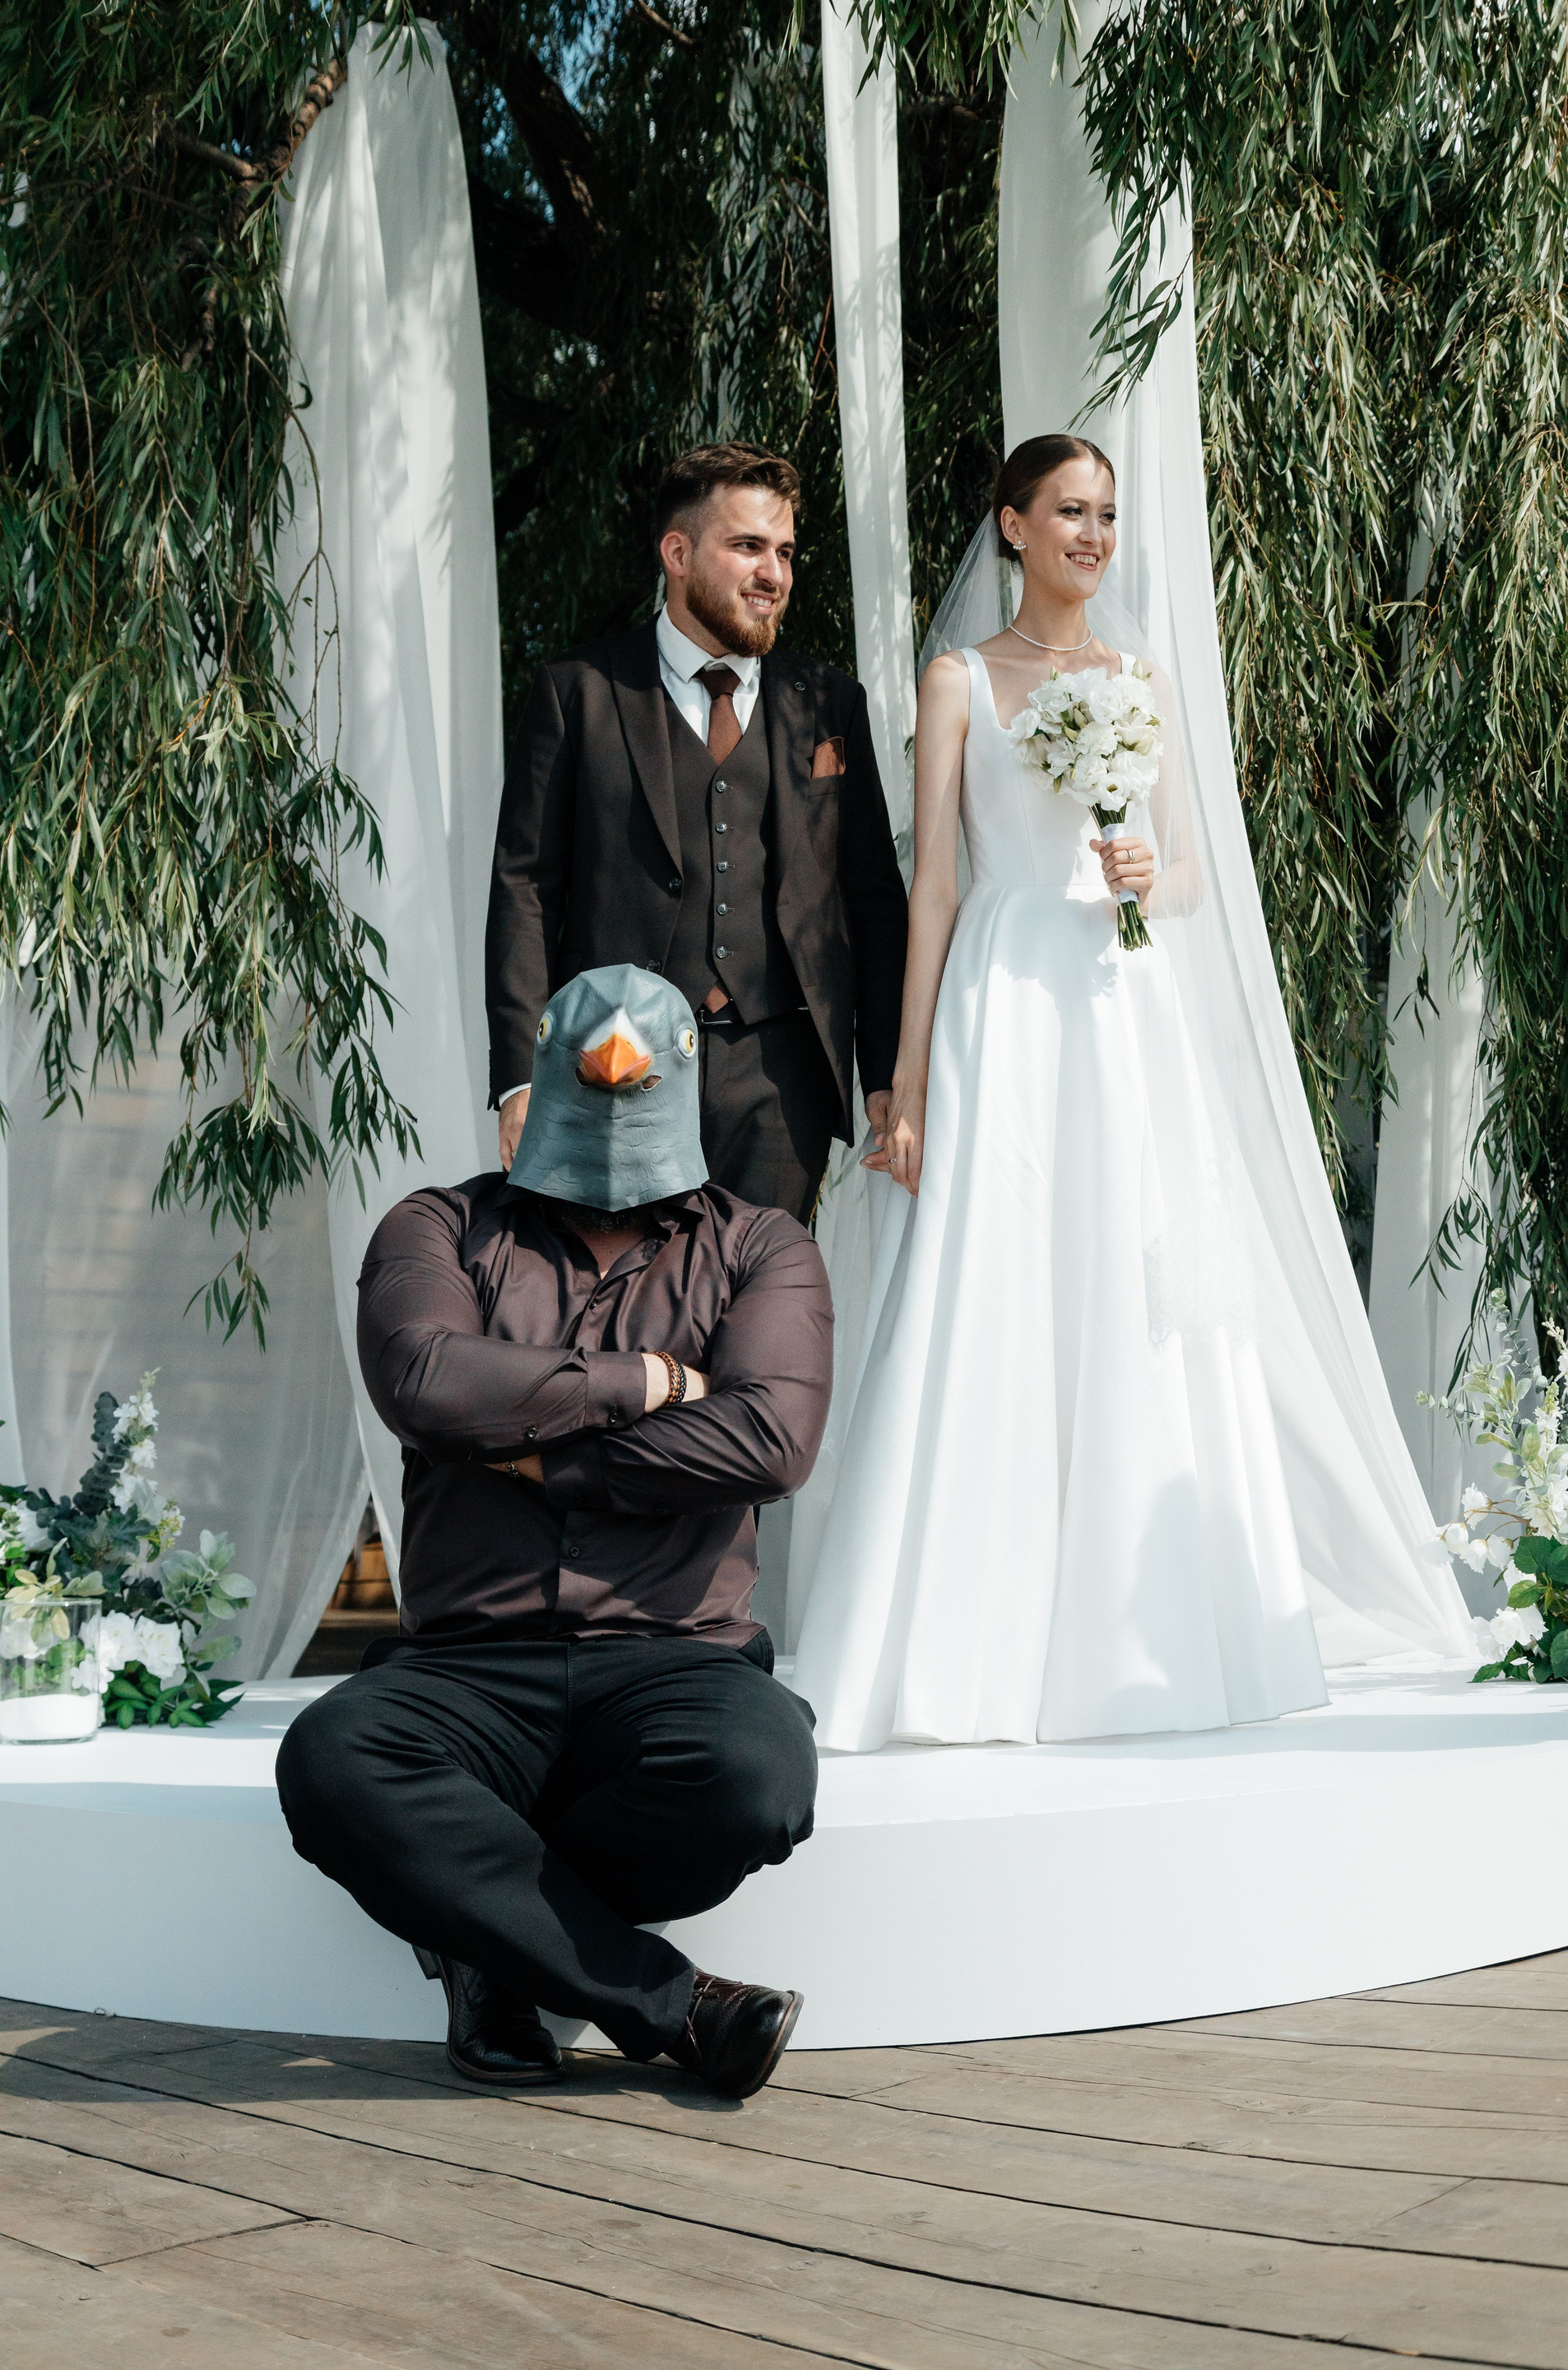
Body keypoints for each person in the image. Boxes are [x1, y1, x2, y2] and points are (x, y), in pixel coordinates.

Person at [791, 434, 1338, 1750]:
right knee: (995, 1272)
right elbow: (933, 885)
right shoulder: (959, 680)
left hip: (1120, 1002)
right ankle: (966, 1646)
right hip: (1004, 996)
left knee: (1123, 1273)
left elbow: (1191, 877)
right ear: (1013, 525)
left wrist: (1152, 871)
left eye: (1106, 515)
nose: (1093, 535)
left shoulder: (1142, 681)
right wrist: (906, 1080)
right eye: (1070, 512)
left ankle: (1143, 1631)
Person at [276, 964, 832, 2098]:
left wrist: (534, 1449)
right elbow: (427, 1383)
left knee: (756, 1777)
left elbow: (769, 1442)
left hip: (675, 1655)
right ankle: (678, 2008)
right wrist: (646, 1382)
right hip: (468, 1666)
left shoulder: (761, 1246)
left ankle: (484, 1947)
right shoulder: (437, 1226)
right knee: (333, 1761)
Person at [485, 441, 909, 1224]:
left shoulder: (829, 702)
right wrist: (520, 1077)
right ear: (677, 554)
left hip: (780, 1079)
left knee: (760, 1291)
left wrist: (885, 1073)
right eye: (748, 546)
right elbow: (526, 888)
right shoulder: (578, 692)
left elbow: (874, 900)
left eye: (785, 552)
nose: (774, 573)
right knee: (621, 1292)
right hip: (611, 1063)